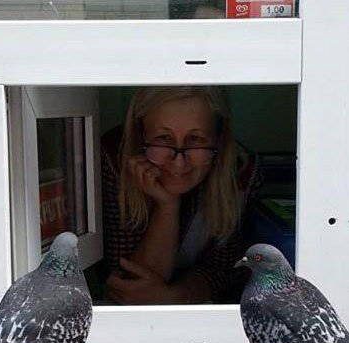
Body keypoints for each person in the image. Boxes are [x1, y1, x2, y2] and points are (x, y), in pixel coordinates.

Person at [101, 86, 261, 304]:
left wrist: (177, 296)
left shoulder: (241, 171)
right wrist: (167, 206)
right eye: (163, 138)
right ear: (140, 136)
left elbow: (227, 266)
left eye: (195, 139)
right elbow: (130, 286)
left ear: (218, 139)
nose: (178, 163)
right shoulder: (112, 161)